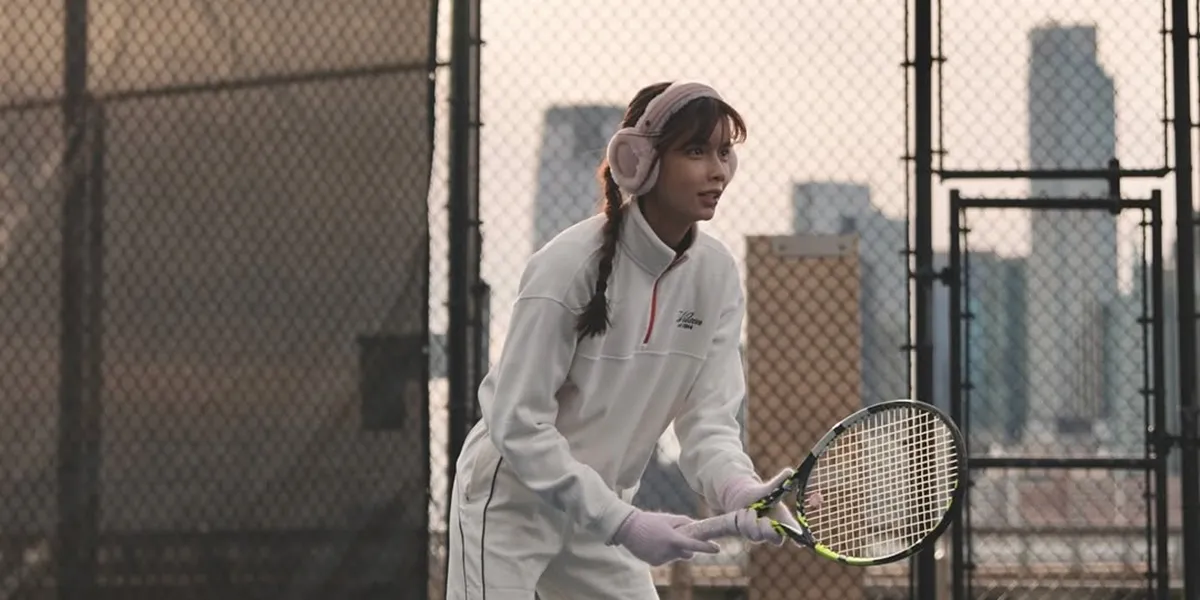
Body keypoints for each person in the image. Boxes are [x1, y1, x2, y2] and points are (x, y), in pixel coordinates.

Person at [445, 80, 801, 600]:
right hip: (508, 506)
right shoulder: (567, 267)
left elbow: (707, 423)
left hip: (604, 511)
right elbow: (517, 425)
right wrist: (624, 524)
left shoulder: (717, 275)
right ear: (640, 160)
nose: (717, 170)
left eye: (725, 152)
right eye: (696, 151)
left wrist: (738, 491)